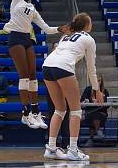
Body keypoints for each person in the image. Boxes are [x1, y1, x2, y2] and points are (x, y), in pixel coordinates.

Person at [4, 0, 67, 130]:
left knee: (33, 76)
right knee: (23, 75)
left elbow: (46, 28)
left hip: (27, 39)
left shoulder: (32, 9)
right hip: (15, 38)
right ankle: (25, 114)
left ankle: (35, 111)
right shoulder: (16, 0)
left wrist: (61, 29)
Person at [41, 12, 100, 161]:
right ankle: (73, 150)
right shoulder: (89, 39)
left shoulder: (65, 36)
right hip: (63, 67)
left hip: (47, 65)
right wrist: (96, 89)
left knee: (59, 109)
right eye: (90, 22)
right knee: (76, 110)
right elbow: (91, 68)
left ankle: (51, 148)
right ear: (86, 25)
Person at [82, 74, 109, 143]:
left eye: (99, 81)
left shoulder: (105, 91)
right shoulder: (88, 89)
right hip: (89, 112)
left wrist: (101, 102)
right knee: (91, 116)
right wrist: (86, 101)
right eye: (96, 81)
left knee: (96, 115)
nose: (97, 82)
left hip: (101, 113)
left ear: (101, 82)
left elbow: (107, 104)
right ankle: (97, 132)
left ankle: (91, 139)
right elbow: (82, 101)